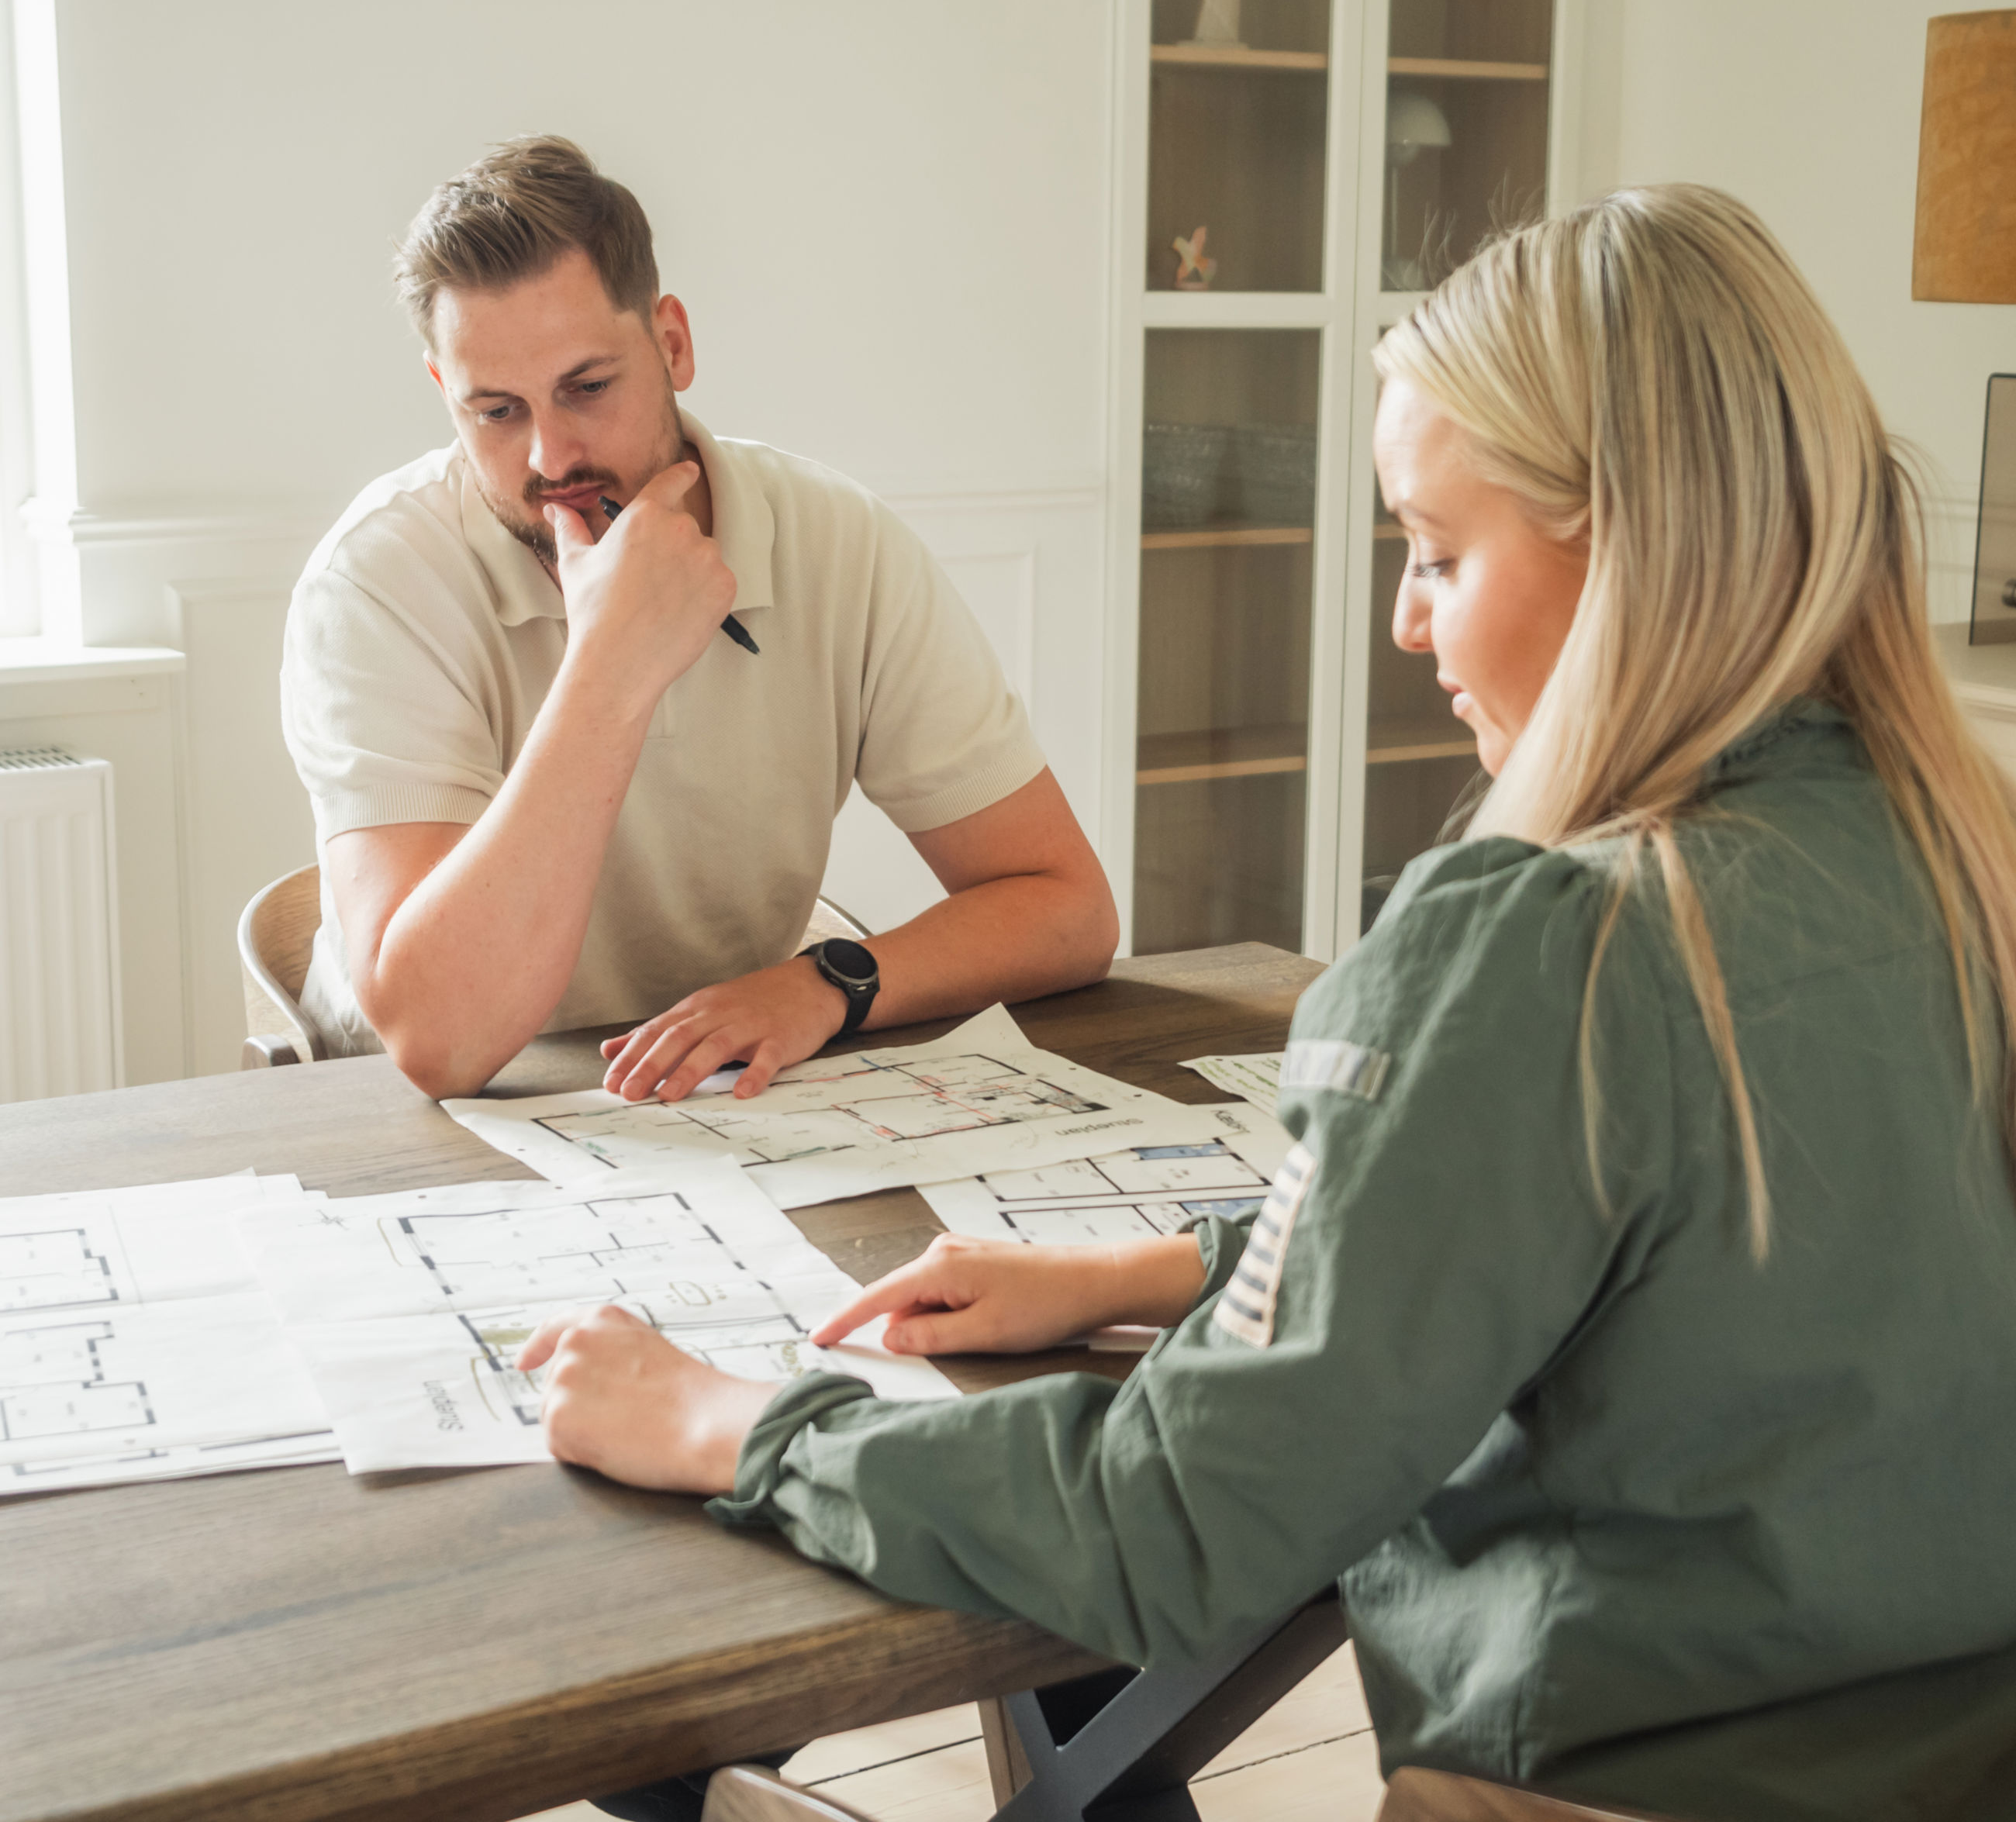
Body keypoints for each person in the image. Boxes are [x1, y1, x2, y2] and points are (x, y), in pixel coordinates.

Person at [518, 186, 2016, 1820]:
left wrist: (738, 1423)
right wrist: (1169, 1270)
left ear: (1630, 544)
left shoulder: (1542, 943)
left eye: (1441, 551)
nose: (1406, 618)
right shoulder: (1949, 847)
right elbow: (1664, 1262)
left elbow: (1177, 1526)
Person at [281, 137, 1117, 1099]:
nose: (551, 455)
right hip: (415, 1109)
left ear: (671, 343)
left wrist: (826, 982)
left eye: (588, 388)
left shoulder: (837, 536)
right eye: (496, 411)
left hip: (714, 1093)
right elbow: (441, 1041)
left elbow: (1067, 907)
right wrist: (610, 664)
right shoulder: (376, 579)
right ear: (445, 394)